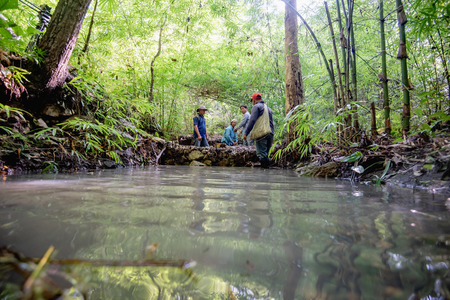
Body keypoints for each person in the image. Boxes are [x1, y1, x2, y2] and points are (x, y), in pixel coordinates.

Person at [243, 93, 274, 168]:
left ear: (254, 100)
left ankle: (264, 174)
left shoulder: (256, 106)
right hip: (270, 133)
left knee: (261, 153)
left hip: (262, 133)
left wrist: (246, 133)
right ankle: (267, 172)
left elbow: (252, 120)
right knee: (267, 153)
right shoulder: (268, 108)